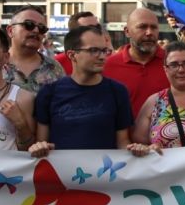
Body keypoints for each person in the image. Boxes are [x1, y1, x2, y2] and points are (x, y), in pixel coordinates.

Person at [28, 26, 156, 157]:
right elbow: (42, 141)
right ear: (72, 55)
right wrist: (39, 147)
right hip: (62, 174)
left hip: (105, 173)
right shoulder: (49, 93)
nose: (102, 57)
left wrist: (135, 151)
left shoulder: (118, 91)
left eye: (104, 50)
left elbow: (122, 142)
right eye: (94, 50)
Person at [103, 8, 169, 118]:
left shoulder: (174, 63)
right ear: (127, 31)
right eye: (142, 27)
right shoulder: (108, 66)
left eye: (154, 27)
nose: (149, 32)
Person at [0, 23, 35, 150]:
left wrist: (20, 124)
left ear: (6, 57)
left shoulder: (23, 98)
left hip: (2, 170)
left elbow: (29, 152)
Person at [4, 5, 63, 93]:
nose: (36, 30)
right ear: (10, 31)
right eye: (29, 25)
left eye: (42, 28)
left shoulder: (54, 68)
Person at [54, 11, 102, 76]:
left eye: (98, 27)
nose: (96, 31)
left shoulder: (107, 60)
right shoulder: (56, 63)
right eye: (90, 28)